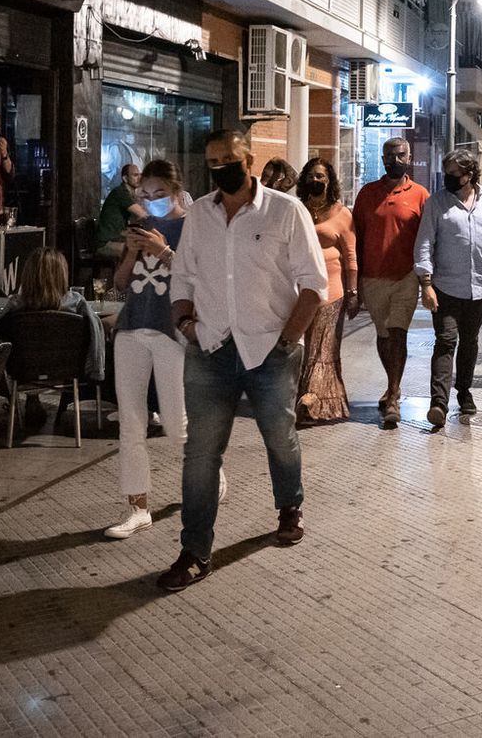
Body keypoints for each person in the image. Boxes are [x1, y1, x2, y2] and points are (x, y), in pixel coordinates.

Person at [158, 129, 326, 592]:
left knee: (279, 437)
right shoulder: (200, 214)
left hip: (270, 350)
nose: (220, 169)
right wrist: (185, 323)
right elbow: (183, 275)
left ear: (249, 160)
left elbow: (314, 285)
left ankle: (289, 506)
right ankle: (195, 551)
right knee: (200, 453)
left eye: (228, 160)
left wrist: (286, 340)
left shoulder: (285, 211)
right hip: (210, 349)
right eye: (212, 162)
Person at [102, 160, 199, 540]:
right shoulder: (139, 226)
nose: (150, 201)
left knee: (176, 424)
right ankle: (137, 508)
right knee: (131, 422)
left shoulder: (192, 228)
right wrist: (130, 252)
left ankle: (209, 475)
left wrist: (164, 251)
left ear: (175, 192)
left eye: (159, 194)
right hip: (132, 328)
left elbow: (197, 282)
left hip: (170, 332)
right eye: (144, 194)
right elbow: (120, 284)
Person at [415, 148, 482, 427]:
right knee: (446, 341)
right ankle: (438, 403)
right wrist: (426, 283)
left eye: (453, 174)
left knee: (470, 341)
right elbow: (424, 243)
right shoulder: (437, 203)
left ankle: (464, 391)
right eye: (446, 173)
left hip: (479, 285)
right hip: (445, 285)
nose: (448, 178)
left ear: (469, 174)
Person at [352, 138, 430, 429]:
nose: (394, 160)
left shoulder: (420, 194)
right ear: (382, 159)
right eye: (389, 156)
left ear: (409, 157)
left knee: (398, 333)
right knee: (383, 334)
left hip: (405, 277)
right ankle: (391, 385)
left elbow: (427, 238)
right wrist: (354, 282)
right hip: (373, 276)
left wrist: (427, 279)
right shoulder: (367, 193)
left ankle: (394, 394)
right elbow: (355, 238)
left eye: (400, 155)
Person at [0, 246, 106, 391]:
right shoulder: (77, 303)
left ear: (27, 275)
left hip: (22, 369)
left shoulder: (15, 306)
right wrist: (96, 371)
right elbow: (95, 332)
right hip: (68, 368)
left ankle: (30, 398)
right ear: (62, 274)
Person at [295, 157, 356, 424]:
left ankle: (309, 400)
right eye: (311, 176)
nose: (315, 180)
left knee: (322, 347)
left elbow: (351, 256)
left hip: (332, 292)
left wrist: (353, 293)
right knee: (304, 347)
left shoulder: (342, 214)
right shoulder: (296, 210)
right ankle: (316, 399)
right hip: (299, 291)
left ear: (330, 180)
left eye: (320, 176)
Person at [95, 163, 142, 251]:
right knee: (137, 250)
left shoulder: (130, 193)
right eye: (135, 175)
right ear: (125, 178)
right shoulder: (121, 192)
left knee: (143, 245)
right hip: (105, 243)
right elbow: (142, 214)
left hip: (117, 238)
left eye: (140, 175)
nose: (139, 178)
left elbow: (138, 218)